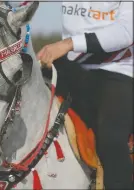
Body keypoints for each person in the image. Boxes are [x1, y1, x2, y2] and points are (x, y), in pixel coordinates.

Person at [37, 2, 133, 189]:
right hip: (68, 67)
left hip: (115, 72)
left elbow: (126, 31)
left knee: (112, 141)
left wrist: (69, 44)